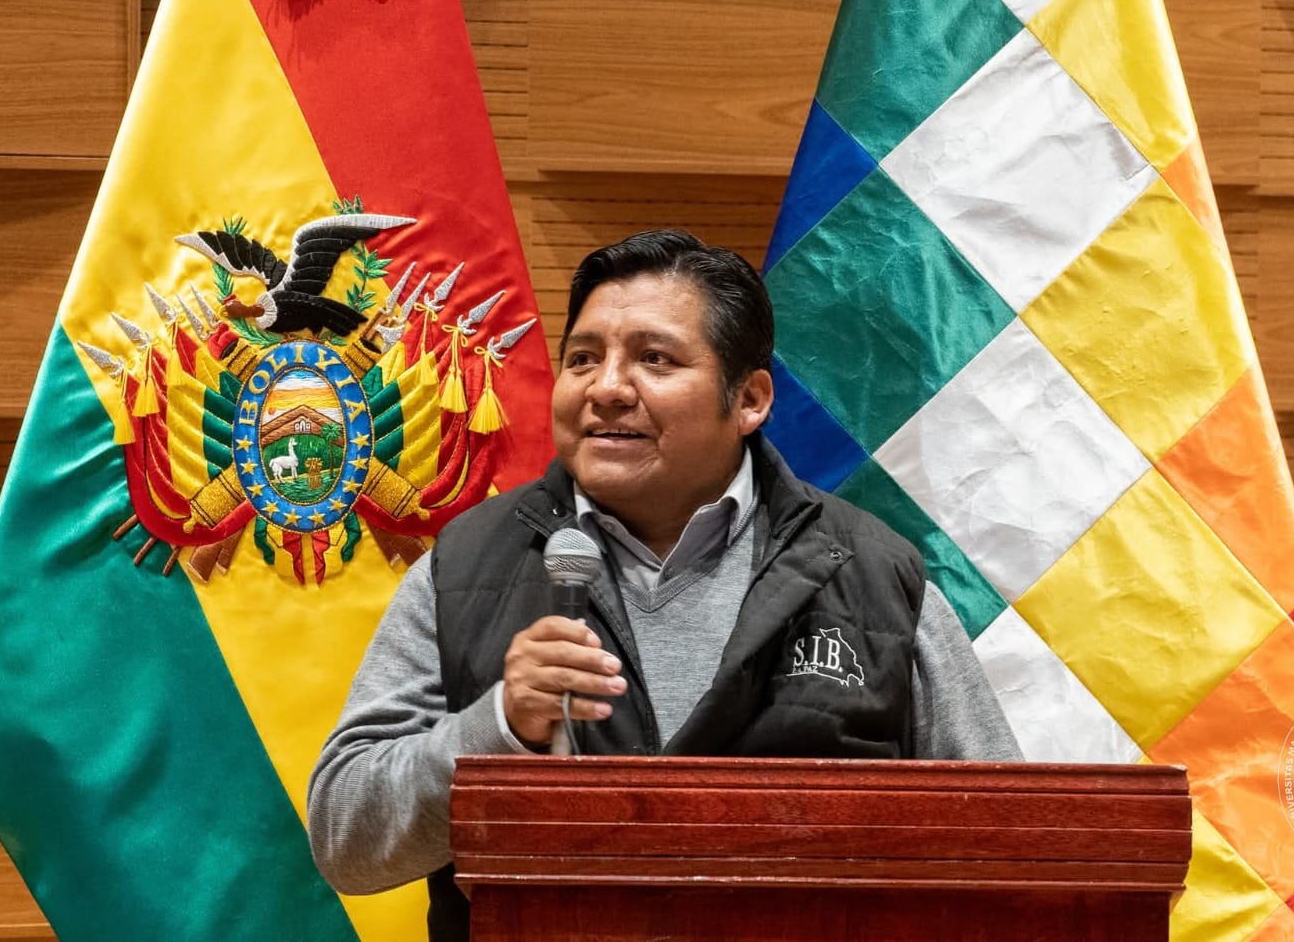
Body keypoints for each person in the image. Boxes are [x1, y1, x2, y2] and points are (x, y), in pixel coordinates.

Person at [307, 230, 1020, 939]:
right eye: (583, 359)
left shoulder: (872, 573)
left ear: (749, 400)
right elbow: (345, 841)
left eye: (655, 359)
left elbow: (1010, 847)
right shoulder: (466, 566)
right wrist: (498, 726)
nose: (607, 388)